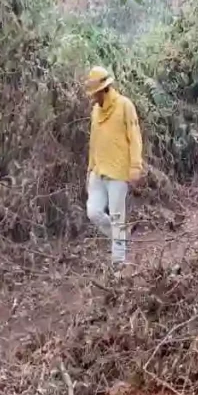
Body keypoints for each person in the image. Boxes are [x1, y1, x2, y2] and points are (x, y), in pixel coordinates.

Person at [83, 66, 144, 269]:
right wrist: (90, 168)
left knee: (118, 217)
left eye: (95, 94)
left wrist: (136, 166)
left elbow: (134, 137)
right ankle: (122, 236)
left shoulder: (125, 106)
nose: (93, 98)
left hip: (118, 172)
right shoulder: (95, 111)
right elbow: (94, 141)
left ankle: (118, 264)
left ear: (104, 90)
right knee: (93, 212)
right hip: (98, 171)